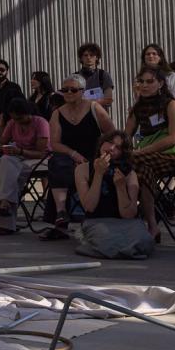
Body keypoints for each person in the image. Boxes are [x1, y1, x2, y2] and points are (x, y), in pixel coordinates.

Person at [43, 74, 115, 239]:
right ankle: (61, 213)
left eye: (73, 90)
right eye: (65, 90)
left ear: (82, 91)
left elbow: (111, 134)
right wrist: (73, 154)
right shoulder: (57, 114)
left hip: (93, 155)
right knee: (57, 162)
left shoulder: (94, 108)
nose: (68, 92)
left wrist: (102, 154)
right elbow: (55, 143)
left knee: (73, 167)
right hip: (69, 156)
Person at [124, 67, 175, 241]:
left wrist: (141, 151)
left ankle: (145, 221)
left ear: (160, 84)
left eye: (150, 81)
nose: (144, 85)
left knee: (135, 165)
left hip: (172, 155)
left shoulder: (171, 104)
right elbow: (126, 136)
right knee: (133, 167)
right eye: (141, 81)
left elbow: (174, 138)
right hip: (143, 159)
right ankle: (150, 225)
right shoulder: (138, 108)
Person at [73, 131, 154, 259]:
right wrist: (98, 174)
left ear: (122, 153)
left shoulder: (129, 173)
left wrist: (120, 187)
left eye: (118, 147)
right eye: (110, 143)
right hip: (97, 221)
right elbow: (89, 206)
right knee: (105, 238)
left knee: (145, 240)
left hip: (126, 223)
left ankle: (116, 250)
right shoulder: (82, 169)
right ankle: (126, 251)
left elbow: (128, 214)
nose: (111, 148)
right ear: (101, 143)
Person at [0, 98, 50, 233]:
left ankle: (3, 220)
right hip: (19, 157)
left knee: (10, 174)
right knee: (4, 161)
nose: (18, 121)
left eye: (20, 118)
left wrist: (20, 151)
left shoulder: (41, 123)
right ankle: (5, 203)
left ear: (28, 113)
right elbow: (0, 143)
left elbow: (41, 153)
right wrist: (6, 148)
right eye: (14, 118)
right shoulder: (12, 123)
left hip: (40, 158)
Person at [77, 42, 116, 110]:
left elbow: (108, 100)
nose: (88, 58)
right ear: (81, 58)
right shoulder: (75, 77)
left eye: (91, 55)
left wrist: (88, 103)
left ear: (97, 58)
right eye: (85, 55)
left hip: (99, 116)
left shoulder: (103, 75)